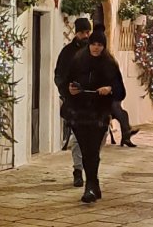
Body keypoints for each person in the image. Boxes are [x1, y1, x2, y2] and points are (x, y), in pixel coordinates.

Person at [64, 28, 126, 204]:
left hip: (99, 113)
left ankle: (91, 184)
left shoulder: (109, 64)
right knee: (85, 150)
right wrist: (70, 90)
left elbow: (120, 91)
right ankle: (93, 184)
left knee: (93, 150)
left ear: (104, 46)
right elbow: (66, 82)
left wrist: (109, 89)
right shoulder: (78, 61)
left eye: (99, 45)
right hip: (80, 112)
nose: (96, 48)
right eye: (93, 44)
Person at [54, 16, 92, 186]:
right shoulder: (67, 53)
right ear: (76, 33)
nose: (86, 35)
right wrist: (66, 90)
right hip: (75, 101)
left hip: (93, 101)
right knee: (77, 137)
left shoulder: (95, 50)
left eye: (88, 32)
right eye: (83, 32)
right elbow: (59, 76)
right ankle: (78, 170)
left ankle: (90, 167)